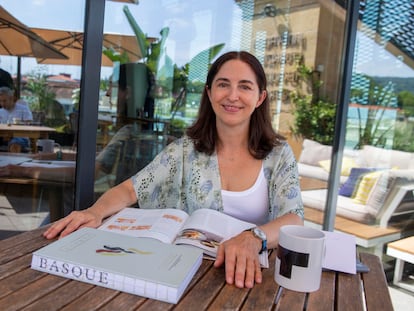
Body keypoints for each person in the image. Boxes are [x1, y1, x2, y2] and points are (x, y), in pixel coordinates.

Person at [39, 51, 305, 288]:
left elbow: (293, 219)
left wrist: (252, 237)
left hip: (249, 278)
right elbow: (132, 189)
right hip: (187, 274)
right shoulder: (185, 150)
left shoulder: (278, 154)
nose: (232, 96)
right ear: (210, 92)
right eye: (223, 84)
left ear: (260, 98)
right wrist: (94, 212)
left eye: (244, 87)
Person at [0, 86, 33, 152]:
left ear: (11, 98)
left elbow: (29, 124)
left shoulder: (23, 109)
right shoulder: (0, 111)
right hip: (3, 138)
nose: (2, 104)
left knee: (15, 144)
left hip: (20, 137)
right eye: (0, 101)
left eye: (4, 101)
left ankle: (13, 162)